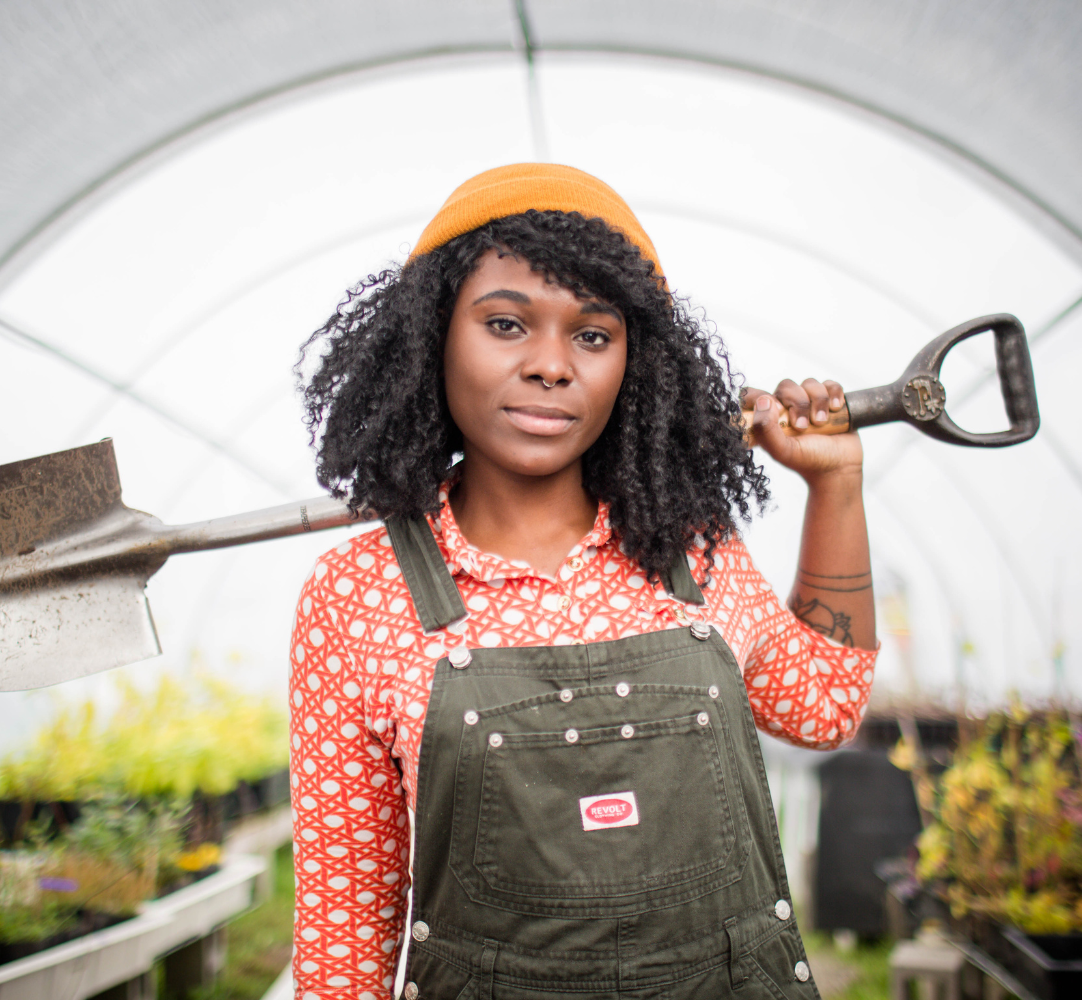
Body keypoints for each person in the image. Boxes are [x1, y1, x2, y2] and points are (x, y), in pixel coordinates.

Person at [288, 163, 877, 1000]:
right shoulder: (357, 595)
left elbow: (822, 707)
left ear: (635, 364)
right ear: (431, 339)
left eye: (592, 335)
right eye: (505, 324)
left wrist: (837, 488)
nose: (551, 366)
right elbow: (344, 941)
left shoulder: (692, 550)